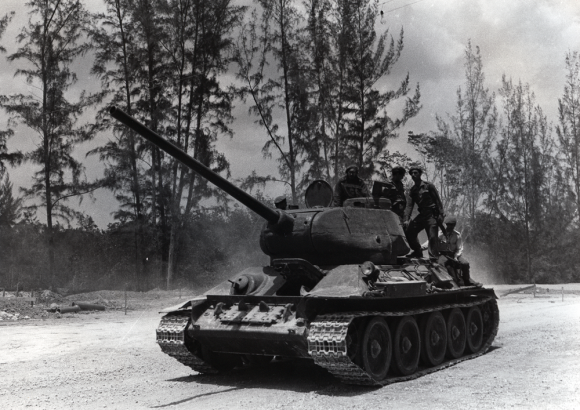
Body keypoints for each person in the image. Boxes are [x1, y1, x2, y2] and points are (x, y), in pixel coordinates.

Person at [426, 216, 481, 287]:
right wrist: (420, 248)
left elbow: (460, 248)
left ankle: (467, 281)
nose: (450, 227)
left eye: (452, 225)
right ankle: (444, 282)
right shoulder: (439, 234)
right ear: (446, 225)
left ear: (454, 225)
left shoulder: (457, 235)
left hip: (454, 254)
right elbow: (430, 242)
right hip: (443, 254)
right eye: (448, 225)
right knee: (440, 264)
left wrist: (456, 256)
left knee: (465, 263)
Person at [403, 166, 445, 258]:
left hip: (432, 215)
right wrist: (406, 219)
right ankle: (417, 250)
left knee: (433, 237)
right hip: (422, 215)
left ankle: (433, 257)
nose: (413, 175)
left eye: (415, 173)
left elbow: (437, 200)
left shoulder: (429, 186)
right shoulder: (413, 190)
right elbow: (409, 206)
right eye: (411, 174)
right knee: (409, 231)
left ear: (420, 174)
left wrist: (441, 214)